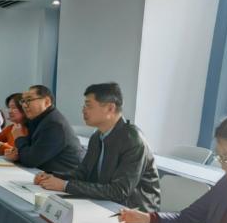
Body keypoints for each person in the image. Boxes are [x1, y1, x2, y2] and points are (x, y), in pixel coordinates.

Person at [34, 82, 161, 210]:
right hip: (105, 204)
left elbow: (119, 191)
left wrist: (65, 186)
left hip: (134, 212)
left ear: (110, 108)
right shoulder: (97, 136)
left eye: (88, 105)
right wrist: (54, 176)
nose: (83, 110)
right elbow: (82, 173)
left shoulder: (133, 140)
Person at [4, 85, 83, 174]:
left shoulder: (54, 124)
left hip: (62, 178)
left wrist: (19, 138)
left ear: (46, 102)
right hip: (42, 173)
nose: (24, 105)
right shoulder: (37, 120)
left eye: (29, 100)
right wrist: (17, 155)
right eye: (23, 101)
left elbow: (30, 161)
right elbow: (30, 152)